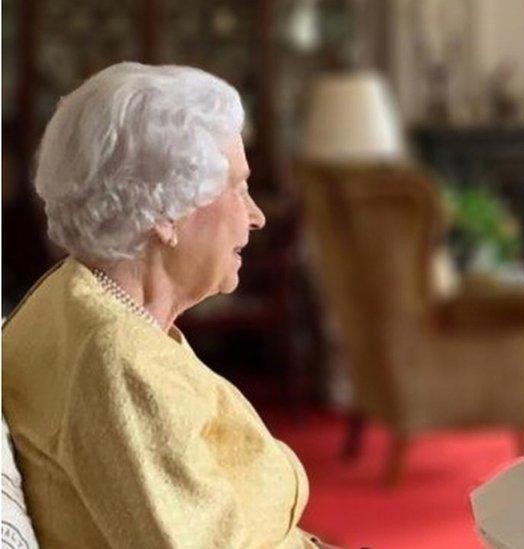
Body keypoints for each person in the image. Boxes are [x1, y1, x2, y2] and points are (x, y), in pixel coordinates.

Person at [2, 63, 325, 548]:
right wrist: (288, 480)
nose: (255, 216)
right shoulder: (113, 359)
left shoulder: (72, 295)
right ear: (166, 214)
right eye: (237, 188)